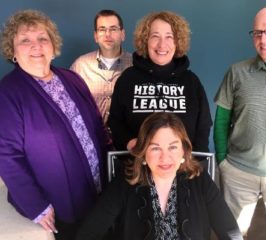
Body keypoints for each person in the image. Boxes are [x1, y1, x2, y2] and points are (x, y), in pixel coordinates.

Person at [0, 10, 109, 240]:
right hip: (58, 204)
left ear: (52, 45)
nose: (36, 46)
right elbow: (6, 155)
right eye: (25, 40)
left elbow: (97, 126)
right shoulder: (8, 93)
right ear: (13, 51)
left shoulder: (71, 78)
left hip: (97, 190)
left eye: (42, 38)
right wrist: (35, 205)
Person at [76, 112, 242, 240]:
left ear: (183, 150)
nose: (165, 158)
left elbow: (230, 232)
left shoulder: (199, 179)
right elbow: (88, 234)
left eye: (172, 147)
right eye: (155, 148)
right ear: (143, 152)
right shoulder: (125, 182)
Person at [214, 5, 266, 239]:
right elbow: (221, 121)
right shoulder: (237, 72)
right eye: (257, 33)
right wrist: (223, 163)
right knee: (231, 234)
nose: (263, 39)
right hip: (239, 173)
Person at [108, 11, 212, 152]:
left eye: (169, 37)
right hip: (136, 166)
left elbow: (203, 126)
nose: (162, 44)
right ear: (145, 40)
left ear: (178, 41)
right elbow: (115, 121)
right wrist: (130, 143)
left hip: (182, 168)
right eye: (155, 36)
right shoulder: (128, 79)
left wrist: (195, 163)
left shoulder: (191, 81)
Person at [70, 9, 132, 126]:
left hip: (125, 140)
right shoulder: (80, 66)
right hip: (92, 138)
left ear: (122, 34)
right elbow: (69, 104)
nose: (107, 34)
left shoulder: (135, 65)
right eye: (102, 29)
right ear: (96, 36)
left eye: (113, 29)